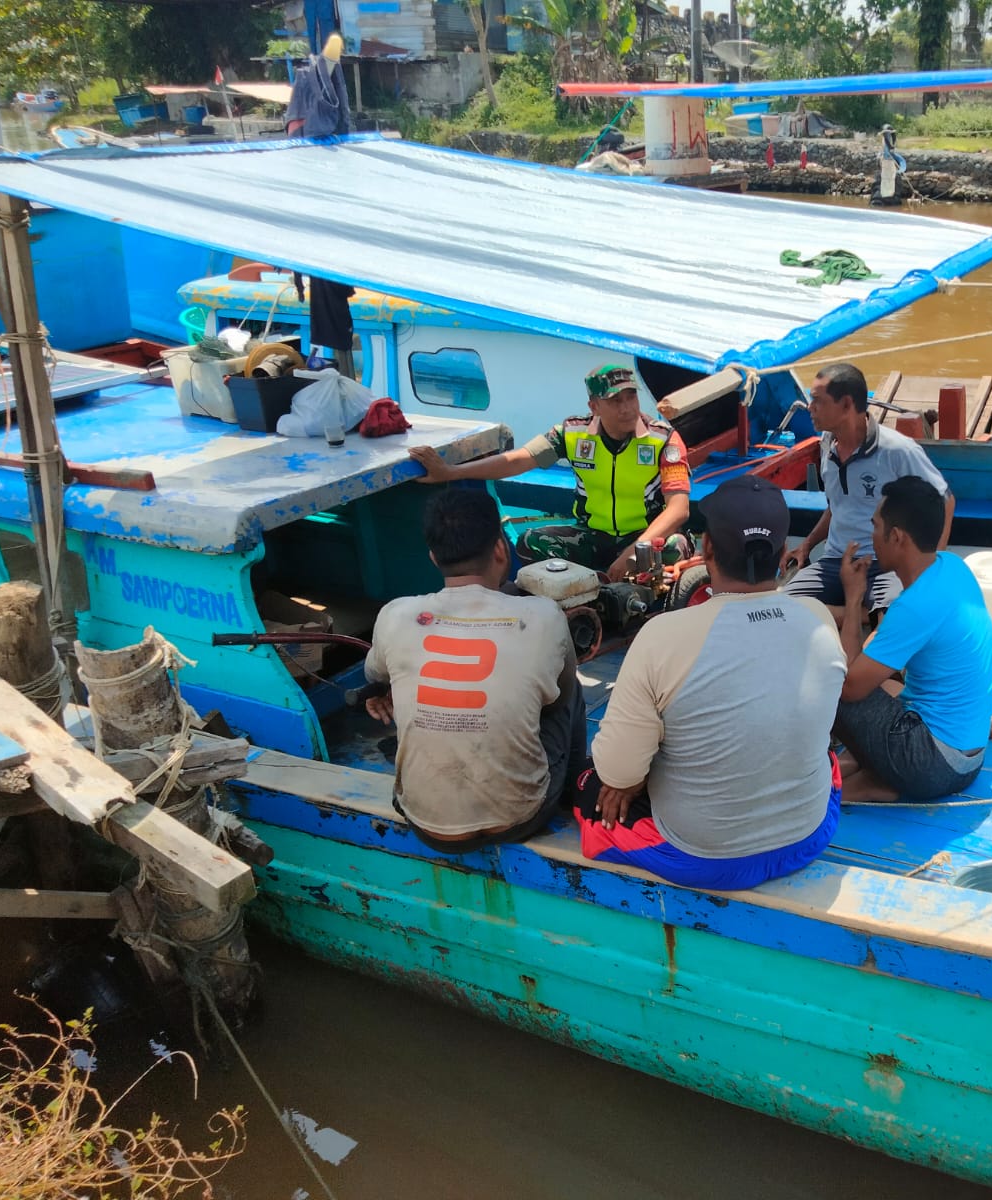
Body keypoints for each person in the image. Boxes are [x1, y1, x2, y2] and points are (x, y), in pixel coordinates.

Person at [575, 475, 847, 889]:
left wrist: (630, 780)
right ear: (782, 553)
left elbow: (618, 772)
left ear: (706, 550)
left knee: (590, 784)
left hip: (703, 857)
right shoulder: (819, 619)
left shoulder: (663, 635)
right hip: (809, 834)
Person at [362, 487, 584, 851]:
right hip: (519, 817)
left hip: (421, 820)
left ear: (434, 557)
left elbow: (375, 676)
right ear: (500, 548)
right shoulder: (544, 615)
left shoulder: (395, 614)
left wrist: (390, 692)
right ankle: (570, 795)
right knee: (569, 688)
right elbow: (557, 702)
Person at [833, 476, 992, 804]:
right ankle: (881, 778)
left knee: (829, 681)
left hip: (934, 764)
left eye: (875, 526)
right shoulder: (952, 566)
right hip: (968, 758)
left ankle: (863, 784)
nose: (871, 535)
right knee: (886, 682)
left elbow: (849, 688)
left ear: (896, 537)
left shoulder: (915, 606)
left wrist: (853, 600)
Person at [409, 363, 692, 582]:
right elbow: (518, 460)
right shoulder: (572, 433)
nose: (627, 407)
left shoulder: (663, 439)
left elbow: (678, 510)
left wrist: (634, 549)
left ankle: (620, 590)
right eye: (615, 400)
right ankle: (590, 591)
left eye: (631, 397)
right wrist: (450, 472)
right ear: (594, 406)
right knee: (531, 541)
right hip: (592, 534)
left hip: (645, 536)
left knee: (675, 546)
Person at [781, 361, 954, 617]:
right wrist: (807, 544)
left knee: (895, 613)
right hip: (834, 563)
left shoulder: (898, 450)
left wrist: (931, 565)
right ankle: (858, 613)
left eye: (817, 400)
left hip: (885, 565)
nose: (810, 407)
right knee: (780, 607)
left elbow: (945, 500)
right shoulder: (827, 445)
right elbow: (837, 507)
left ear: (847, 405)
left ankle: (852, 614)